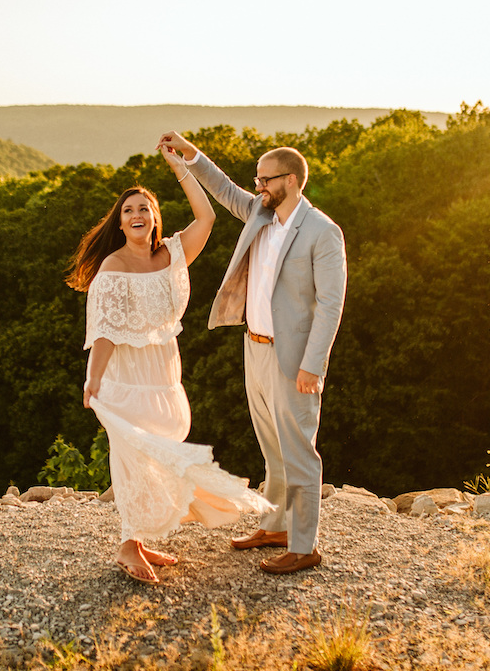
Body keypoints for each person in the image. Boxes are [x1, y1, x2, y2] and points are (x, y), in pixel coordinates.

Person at [66, 143, 273, 585]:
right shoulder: (112, 269)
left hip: (165, 375)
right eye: (128, 211)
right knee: (134, 455)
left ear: (155, 217)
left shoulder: (173, 255)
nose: (137, 215)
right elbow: (102, 332)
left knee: (161, 452)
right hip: (128, 377)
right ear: (120, 223)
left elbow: (208, 218)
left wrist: (180, 167)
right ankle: (127, 545)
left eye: (145, 208)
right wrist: (93, 378)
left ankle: (139, 539)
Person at [156, 131, 347, 575]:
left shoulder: (323, 232)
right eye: (256, 179)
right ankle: (276, 526)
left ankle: (305, 545)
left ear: (293, 180)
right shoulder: (260, 213)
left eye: (265, 179)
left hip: (293, 359)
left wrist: (312, 366)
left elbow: (331, 304)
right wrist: (190, 155)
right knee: (273, 451)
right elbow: (223, 189)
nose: (257, 186)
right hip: (254, 348)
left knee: (299, 452)